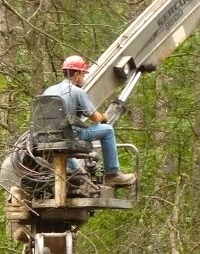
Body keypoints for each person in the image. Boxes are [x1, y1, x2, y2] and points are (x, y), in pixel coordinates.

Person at [42, 55, 136, 187]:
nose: (84, 79)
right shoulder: (77, 91)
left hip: (47, 138)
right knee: (107, 130)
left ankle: (74, 173)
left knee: (75, 169)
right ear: (78, 74)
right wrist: (103, 116)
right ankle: (113, 174)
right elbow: (96, 118)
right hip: (69, 136)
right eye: (83, 75)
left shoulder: (48, 91)